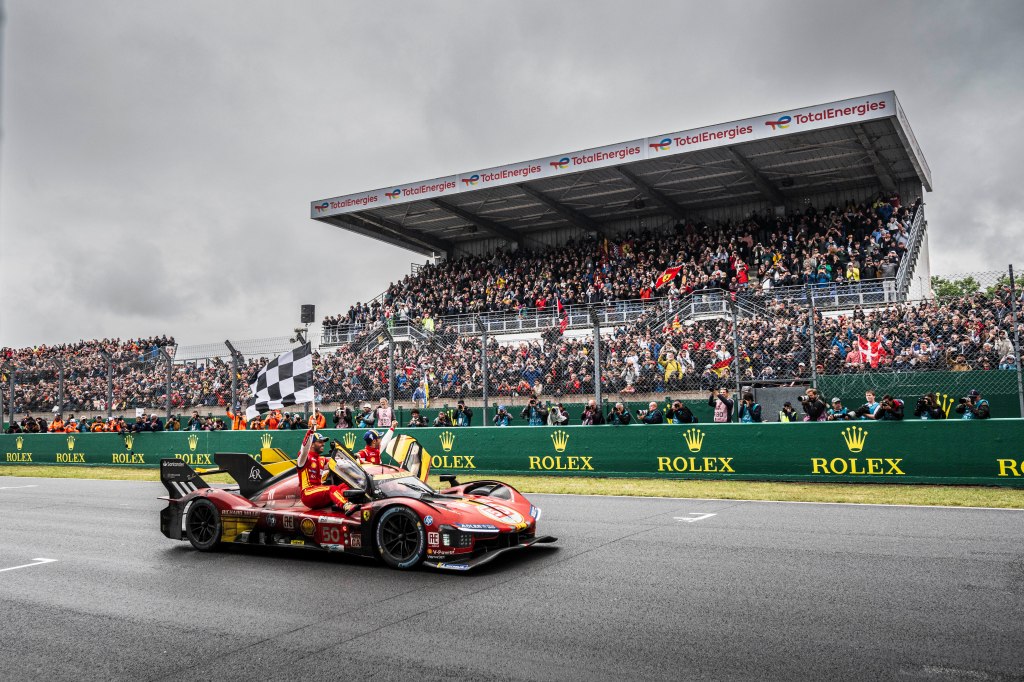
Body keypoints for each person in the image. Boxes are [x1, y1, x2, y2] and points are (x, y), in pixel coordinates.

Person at [296, 430, 348, 510]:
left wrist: (357, 459)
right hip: (307, 494)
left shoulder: (321, 459)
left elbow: (338, 462)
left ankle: (341, 504)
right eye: (320, 442)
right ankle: (346, 506)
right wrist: (310, 433)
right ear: (312, 444)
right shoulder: (304, 458)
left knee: (346, 485)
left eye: (323, 442)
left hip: (319, 492)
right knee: (332, 488)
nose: (323, 444)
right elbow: (304, 449)